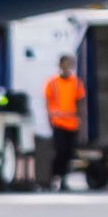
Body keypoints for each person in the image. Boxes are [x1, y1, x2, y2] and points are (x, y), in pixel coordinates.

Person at [43, 54, 82, 192]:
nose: (66, 67)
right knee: (60, 151)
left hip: (72, 124)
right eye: (64, 64)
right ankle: (55, 177)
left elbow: (80, 102)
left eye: (69, 64)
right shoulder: (52, 83)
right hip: (59, 123)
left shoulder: (76, 83)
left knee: (69, 153)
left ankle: (64, 178)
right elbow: (48, 103)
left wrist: (80, 120)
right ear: (60, 65)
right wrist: (50, 119)